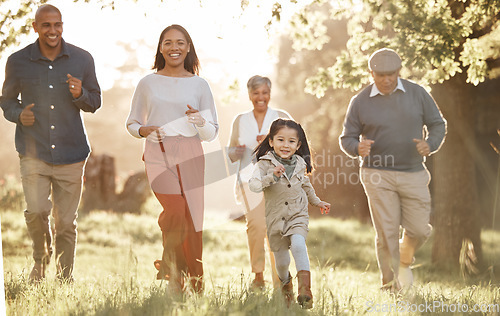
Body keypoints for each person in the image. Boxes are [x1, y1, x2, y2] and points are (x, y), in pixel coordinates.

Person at [0, 4, 101, 282]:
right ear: (35, 27)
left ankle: (64, 277)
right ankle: (40, 262)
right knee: (36, 212)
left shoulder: (82, 59)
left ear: (62, 26)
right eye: (46, 25)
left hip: (72, 153)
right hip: (33, 152)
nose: (53, 30)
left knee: (66, 223)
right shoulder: (17, 61)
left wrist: (80, 94)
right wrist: (20, 114)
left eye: (57, 24)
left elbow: (95, 101)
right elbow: (6, 100)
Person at [339, 48, 446, 292]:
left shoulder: (417, 93)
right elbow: (347, 138)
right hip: (377, 174)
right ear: (371, 73)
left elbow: (438, 124)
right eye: (381, 75)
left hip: (414, 172)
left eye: (392, 74)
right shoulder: (360, 101)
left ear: (399, 72)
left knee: (420, 229)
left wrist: (430, 144)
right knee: (387, 231)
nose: (387, 80)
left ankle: (405, 256)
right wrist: (357, 147)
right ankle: (390, 285)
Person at [126, 24, 218, 294]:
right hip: (158, 152)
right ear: (160, 47)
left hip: (191, 152)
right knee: (175, 210)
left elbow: (211, 133)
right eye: (168, 42)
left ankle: (189, 281)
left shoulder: (200, 85)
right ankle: (172, 270)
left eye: (180, 42)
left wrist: (199, 120)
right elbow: (132, 123)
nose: (174, 47)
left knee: (191, 219)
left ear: (188, 47)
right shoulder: (147, 83)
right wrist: (143, 130)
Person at [249, 118, 330, 308]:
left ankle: (305, 291)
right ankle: (287, 286)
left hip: (297, 214)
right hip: (275, 219)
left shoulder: (301, 163)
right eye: (280, 140)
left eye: (291, 141)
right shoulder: (263, 164)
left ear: (298, 145)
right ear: (271, 141)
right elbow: (253, 186)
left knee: (299, 245)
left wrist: (317, 202)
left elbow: (306, 185)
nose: (286, 145)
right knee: (283, 263)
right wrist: (272, 176)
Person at [227, 75, 290, 289]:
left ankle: (280, 278)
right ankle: (258, 276)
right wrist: (236, 151)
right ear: (249, 95)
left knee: (276, 228)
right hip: (248, 180)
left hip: (278, 181)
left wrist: (271, 144)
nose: (260, 97)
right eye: (256, 93)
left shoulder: (281, 117)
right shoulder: (240, 120)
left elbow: (296, 149)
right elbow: (231, 153)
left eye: (264, 93)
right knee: (256, 225)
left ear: (270, 94)